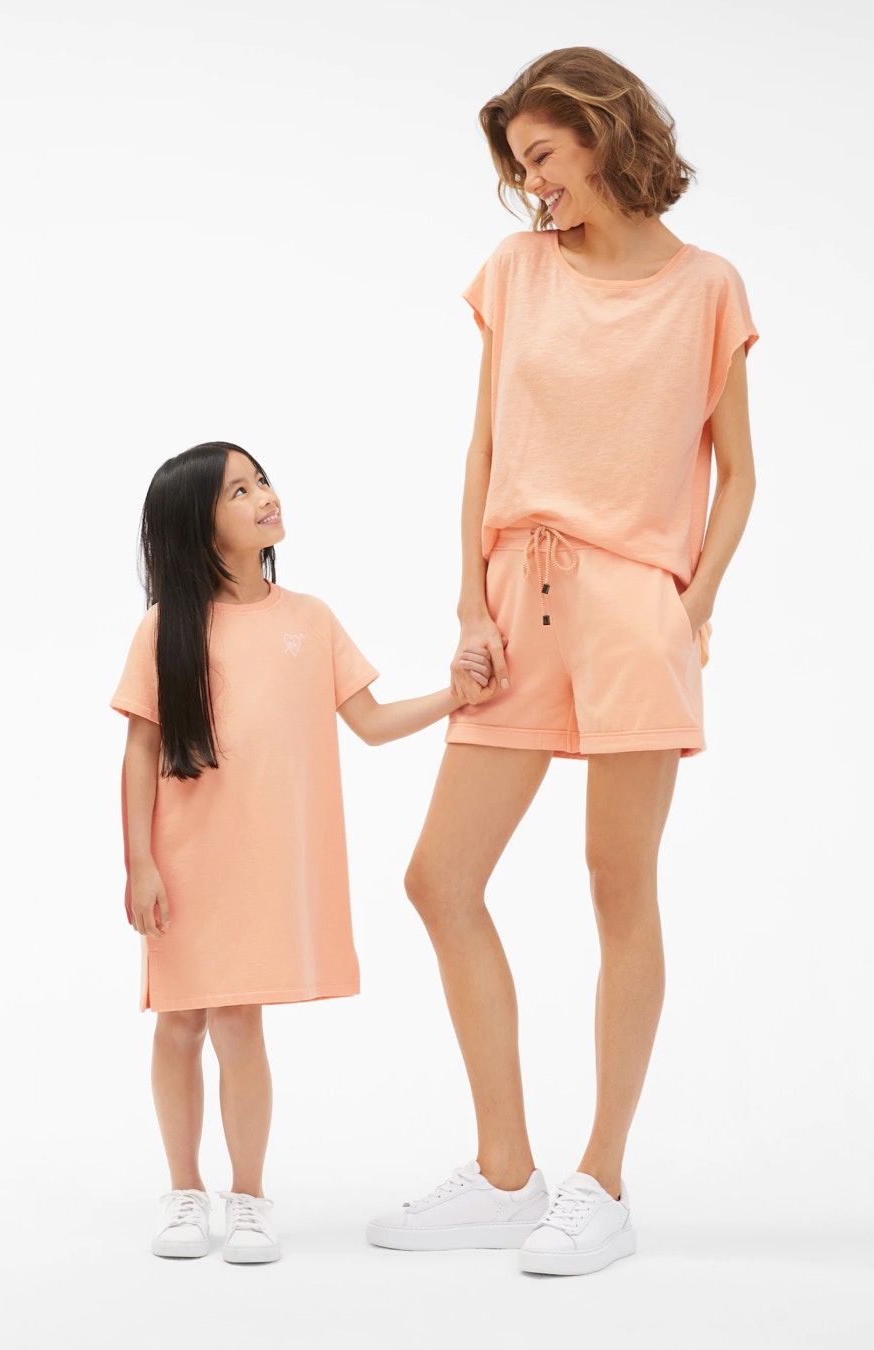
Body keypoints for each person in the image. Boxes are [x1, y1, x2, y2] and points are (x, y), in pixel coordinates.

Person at [367, 46, 758, 1276]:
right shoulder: (517, 270)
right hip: (515, 600)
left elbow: (740, 474)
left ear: (603, 134)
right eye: (520, 166)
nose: (533, 183)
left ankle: (602, 1181)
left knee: (616, 885)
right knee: (440, 877)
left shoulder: (708, 287)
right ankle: (503, 1173)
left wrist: (691, 604)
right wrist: (465, 605)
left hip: (638, 608)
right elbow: (482, 449)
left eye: (543, 155)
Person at [110, 441, 492, 1263]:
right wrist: (140, 862)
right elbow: (140, 751)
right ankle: (185, 1191)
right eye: (237, 492)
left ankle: (248, 1198)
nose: (263, 496)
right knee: (180, 1021)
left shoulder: (310, 620)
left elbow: (371, 723)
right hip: (185, 863)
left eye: (261, 481)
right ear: (197, 526)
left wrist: (453, 697)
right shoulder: (165, 629)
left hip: (262, 866)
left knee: (238, 1019)